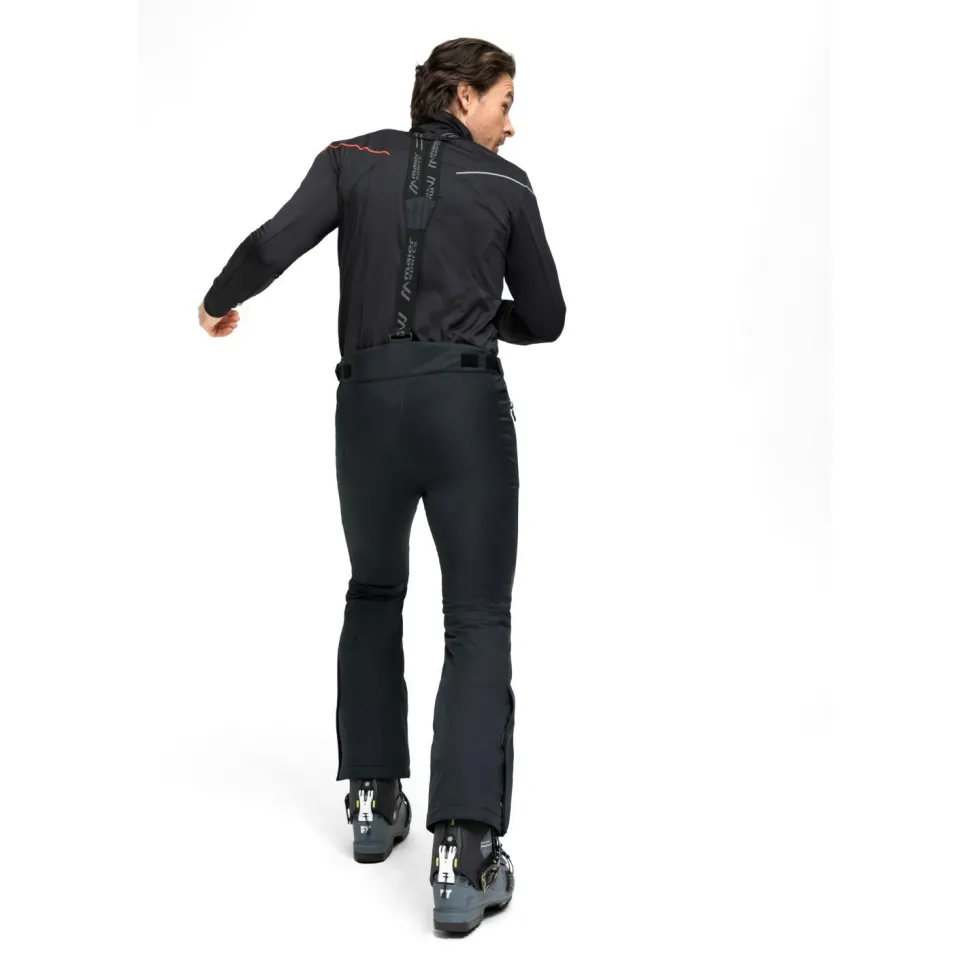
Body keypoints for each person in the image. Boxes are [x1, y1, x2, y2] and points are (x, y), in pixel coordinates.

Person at [197, 36, 565, 934]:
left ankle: (371, 800)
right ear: (464, 96)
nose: (512, 124)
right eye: (505, 102)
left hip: (364, 409)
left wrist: (215, 301)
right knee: (476, 618)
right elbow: (548, 318)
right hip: (463, 409)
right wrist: (475, 316)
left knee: (372, 589)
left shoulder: (349, 159)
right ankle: (463, 857)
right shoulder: (505, 185)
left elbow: (271, 243)